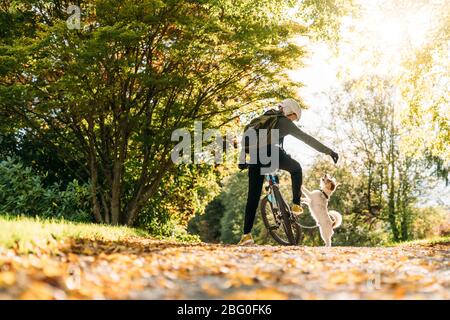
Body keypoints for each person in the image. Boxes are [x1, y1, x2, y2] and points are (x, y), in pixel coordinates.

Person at [238, 98, 339, 245]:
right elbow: (307, 139)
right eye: (293, 117)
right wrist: (329, 151)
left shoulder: (264, 118)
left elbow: (247, 136)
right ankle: (296, 204)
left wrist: (242, 159)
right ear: (289, 111)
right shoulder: (284, 121)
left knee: (252, 197)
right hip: (271, 152)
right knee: (296, 168)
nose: (293, 121)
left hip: (254, 156)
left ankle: (246, 235)